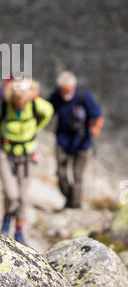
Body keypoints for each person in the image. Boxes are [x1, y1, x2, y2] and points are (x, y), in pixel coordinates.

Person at [0, 77, 54, 244]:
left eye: (24, 101)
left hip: (27, 154)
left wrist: (35, 129)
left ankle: (19, 231)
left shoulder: (35, 104)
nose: (21, 104)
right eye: (18, 102)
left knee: (23, 197)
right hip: (6, 153)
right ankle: (7, 217)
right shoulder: (3, 105)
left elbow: (49, 112)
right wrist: (4, 134)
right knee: (11, 193)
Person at [49, 71, 105, 209]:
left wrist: (96, 129)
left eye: (68, 91)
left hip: (82, 142)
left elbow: (98, 116)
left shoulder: (84, 96)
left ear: (73, 87)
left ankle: (75, 205)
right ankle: (70, 198)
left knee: (77, 175)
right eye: (63, 91)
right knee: (61, 173)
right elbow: (46, 110)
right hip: (62, 141)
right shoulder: (56, 96)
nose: (65, 94)